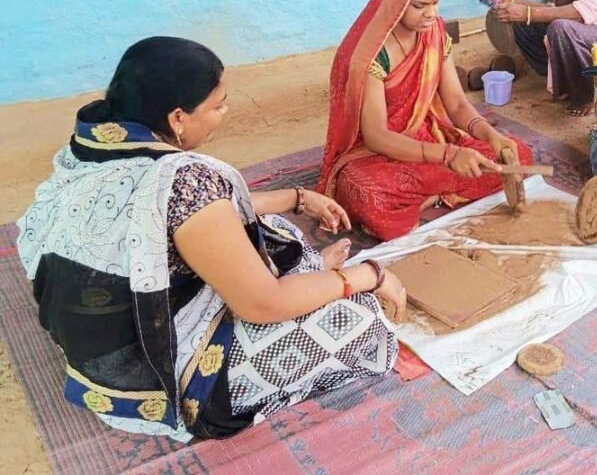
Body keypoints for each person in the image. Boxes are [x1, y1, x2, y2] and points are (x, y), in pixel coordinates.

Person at [17, 37, 406, 442]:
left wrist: (296, 198)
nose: (225, 113)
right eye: (218, 105)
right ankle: (308, 292)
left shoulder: (101, 138)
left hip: (94, 335)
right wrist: (367, 276)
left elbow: (198, 215)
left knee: (277, 229)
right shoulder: (186, 179)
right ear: (178, 118)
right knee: (357, 319)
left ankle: (308, 277)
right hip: (154, 366)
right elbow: (261, 304)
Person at [318, 0, 533, 240]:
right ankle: (439, 193)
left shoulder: (434, 33)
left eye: (436, 3)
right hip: (377, 155)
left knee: (518, 154)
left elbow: (456, 104)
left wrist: (489, 136)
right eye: (420, 5)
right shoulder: (369, 53)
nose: (431, 14)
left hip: (427, 140)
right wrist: (448, 155)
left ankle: (428, 197)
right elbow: (376, 136)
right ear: (394, 2)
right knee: (369, 196)